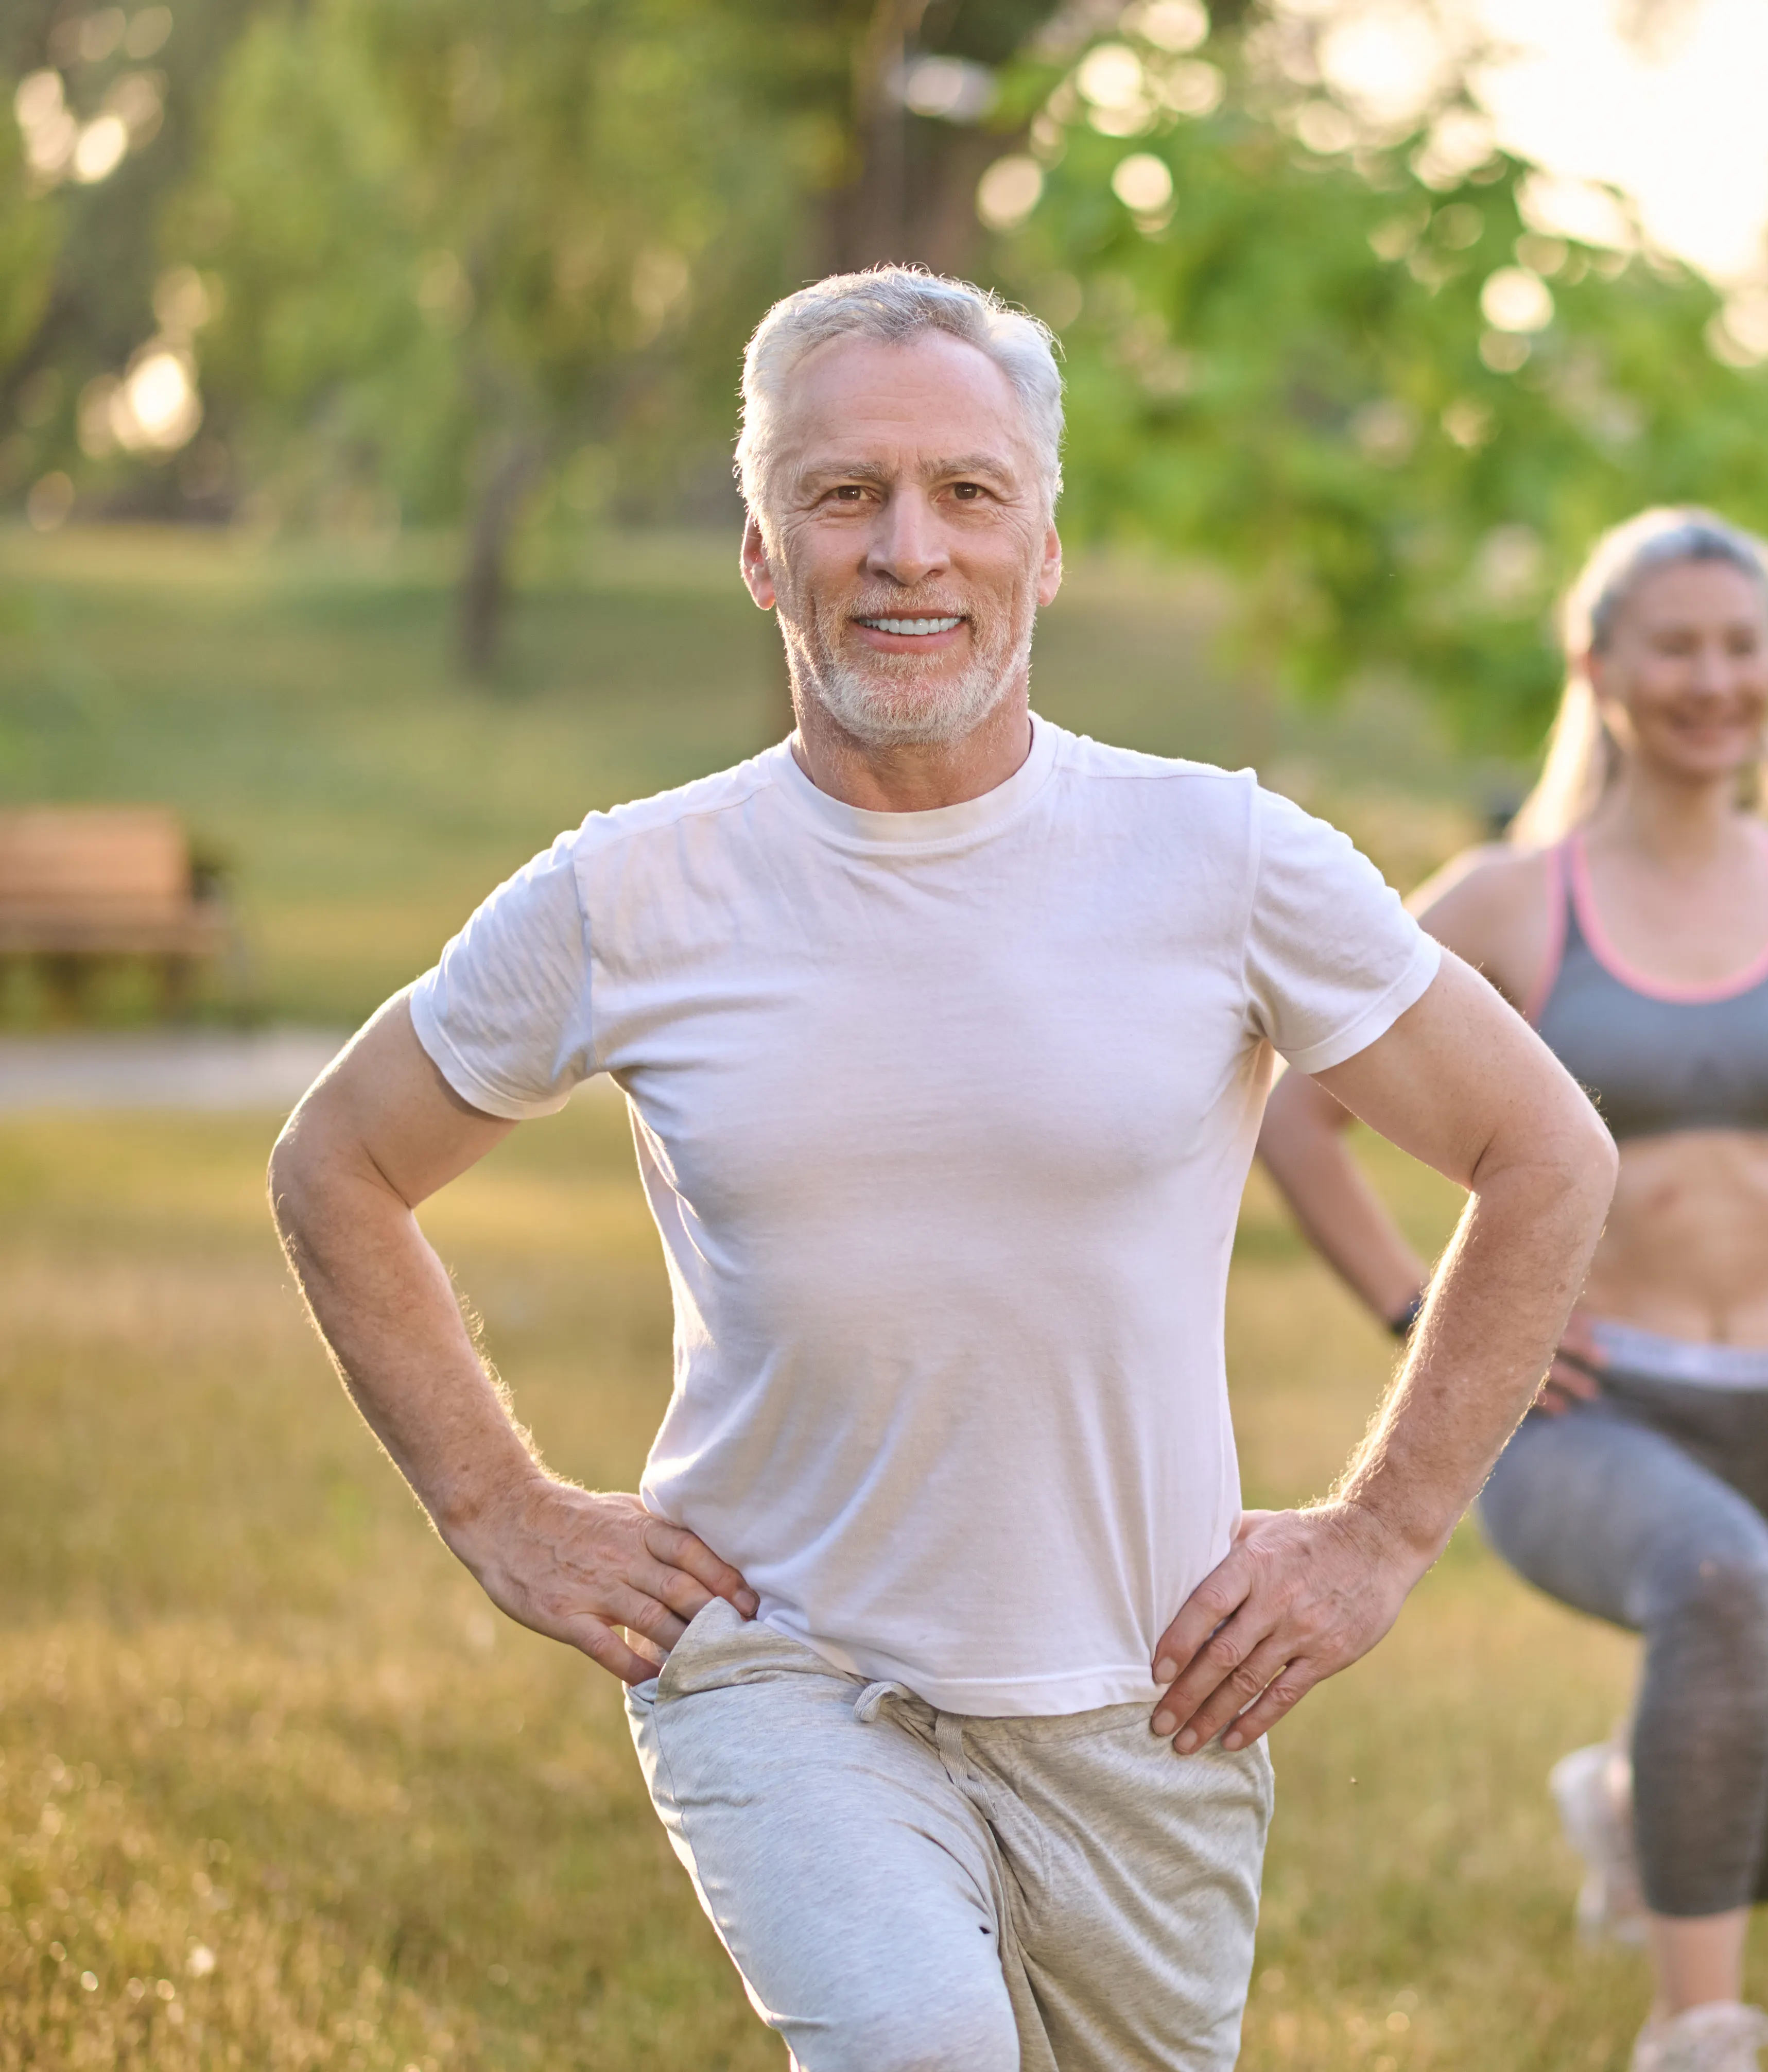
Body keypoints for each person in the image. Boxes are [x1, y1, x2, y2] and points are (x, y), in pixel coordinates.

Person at [265, 267, 1616, 2072]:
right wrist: (503, 1509)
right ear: (763, 551)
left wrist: (1378, 1538)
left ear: (1044, 548)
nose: (911, 550)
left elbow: (1544, 1153)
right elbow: (338, 1162)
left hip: (1155, 1707)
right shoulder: (633, 892)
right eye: (847, 496)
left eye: (968, 495)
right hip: (785, 1673)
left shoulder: (1222, 859)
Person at [1256, 508, 1768, 2071]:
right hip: (1582, 1415)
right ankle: (1701, 2038)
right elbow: (1300, 1116)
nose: (1713, 679)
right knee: (1720, 1585)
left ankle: (1626, 1809)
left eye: (1740, 646)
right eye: (1674, 645)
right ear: (1598, 666)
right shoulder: (1508, 900)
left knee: (1765, 1829)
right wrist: (1432, 1324)